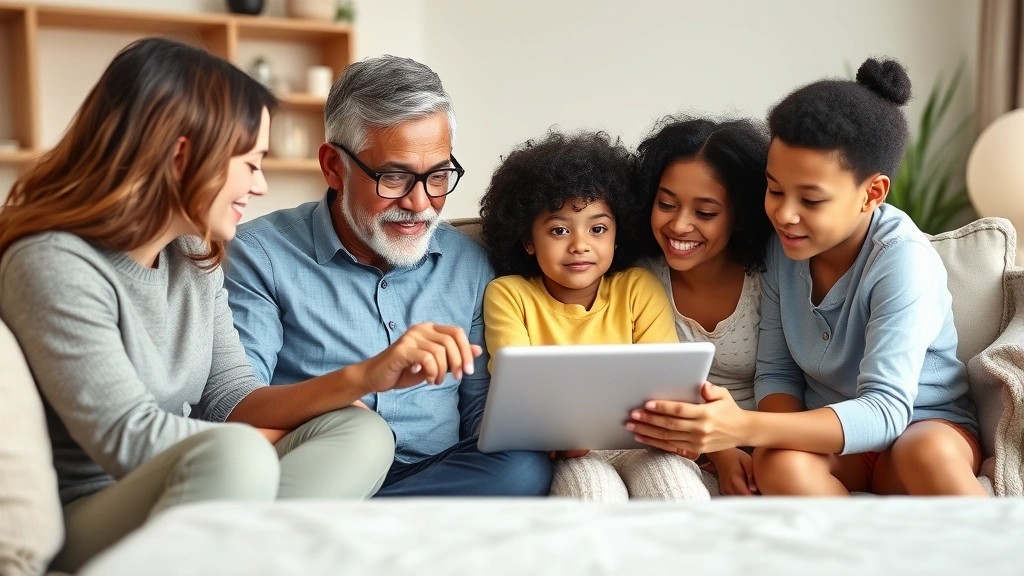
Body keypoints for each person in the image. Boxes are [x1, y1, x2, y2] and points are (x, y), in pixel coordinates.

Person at [0, 38, 464, 572]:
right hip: (96, 511)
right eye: (250, 164)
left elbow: (230, 395)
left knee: (359, 430)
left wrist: (363, 379)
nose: (261, 186)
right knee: (233, 452)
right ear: (181, 158)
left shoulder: (193, 253)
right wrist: (258, 443)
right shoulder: (53, 262)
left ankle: (257, 559)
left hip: (203, 482)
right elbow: (129, 439)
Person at [626, 58, 985, 496]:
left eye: (810, 200)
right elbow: (777, 372)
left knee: (925, 454)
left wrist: (742, 426)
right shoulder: (784, 247)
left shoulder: (903, 261)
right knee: (777, 467)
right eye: (775, 189)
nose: (784, 214)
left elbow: (888, 410)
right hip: (827, 437)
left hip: (920, 425)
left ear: (872, 193)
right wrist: (764, 441)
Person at [225, 55, 552, 497]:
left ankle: (356, 524)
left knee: (522, 467)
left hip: (437, 475)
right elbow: (235, 409)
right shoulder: (259, 255)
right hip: (324, 470)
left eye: (437, 176)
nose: (420, 203)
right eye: (394, 177)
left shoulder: (470, 263)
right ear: (333, 167)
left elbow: (480, 417)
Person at [479, 130, 708, 501]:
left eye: (598, 229)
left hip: (645, 444)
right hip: (565, 452)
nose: (580, 244)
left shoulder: (638, 287)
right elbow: (519, 392)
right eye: (558, 230)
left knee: (676, 492)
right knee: (593, 495)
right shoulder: (510, 295)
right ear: (528, 240)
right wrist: (557, 437)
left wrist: (676, 429)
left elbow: (664, 382)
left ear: (617, 236)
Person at [632, 117, 773, 495]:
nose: (679, 225)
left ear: (740, 216)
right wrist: (724, 455)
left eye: (705, 213)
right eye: (666, 204)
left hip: (767, 441)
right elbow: (646, 384)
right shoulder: (639, 277)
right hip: (680, 447)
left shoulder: (768, 279)